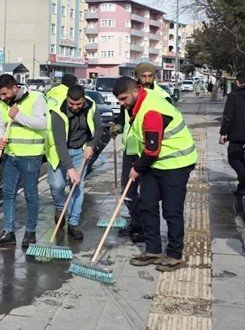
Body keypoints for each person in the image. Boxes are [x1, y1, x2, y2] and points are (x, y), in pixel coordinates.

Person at [113, 76, 197, 272]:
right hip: (155, 163)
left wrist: (136, 168)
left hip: (176, 163)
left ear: (136, 91)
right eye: (119, 100)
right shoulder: (138, 102)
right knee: (147, 205)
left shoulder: (151, 109)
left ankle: (174, 255)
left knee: (171, 210)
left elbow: (152, 149)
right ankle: (153, 250)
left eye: (124, 99)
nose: (121, 104)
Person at [111, 62, 170, 242]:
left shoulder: (162, 96)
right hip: (132, 147)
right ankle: (137, 221)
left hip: (152, 152)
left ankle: (147, 227)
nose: (146, 80)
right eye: (143, 76)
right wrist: (117, 126)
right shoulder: (129, 94)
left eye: (149, 76)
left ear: (154, 77)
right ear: (137, 78)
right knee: (127, 189)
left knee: (148, 193)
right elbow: (124, 117)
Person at [0, 73, 47, 249]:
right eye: (0, 94)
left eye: (5, 93)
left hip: (30, 155)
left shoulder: (36, 98)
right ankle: (8, 231)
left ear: (15, 88)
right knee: (8, 194)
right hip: (10, 155)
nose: (3, 97)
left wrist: (18, 116)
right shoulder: (3, 104)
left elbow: (42, 123)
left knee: (30, 195)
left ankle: (30, 232)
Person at [45, 84, 107, 239]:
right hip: (58, 152)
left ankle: (73, 223)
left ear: (83, 99)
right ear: (67, 99)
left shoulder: (91, 106)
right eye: (71, 104)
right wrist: (70, 168)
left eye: (78, 104)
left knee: (77, 186)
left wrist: (91, 145)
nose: (74, 107)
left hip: (81, 150)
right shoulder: (58, 112)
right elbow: (60, 143)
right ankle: (60, 208)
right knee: (57, 186)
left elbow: (99, 128)